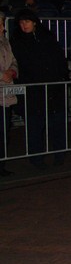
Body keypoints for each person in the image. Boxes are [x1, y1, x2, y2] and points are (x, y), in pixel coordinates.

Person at [10, 9, 69, 168]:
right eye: (21, 22)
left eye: (27, 21)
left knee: (56, 124)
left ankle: (59, 154)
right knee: (35, 126)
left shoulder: (47, 38)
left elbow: (59, 60)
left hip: (52, 88)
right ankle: (36, 158)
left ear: (34, 22)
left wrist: (62, 78)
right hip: (33, 90)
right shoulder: (17, 41)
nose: (24, 25)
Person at [0, 13, 18, 175]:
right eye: (0, 25)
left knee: (4, 130)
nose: (3, 28)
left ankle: (1, 164)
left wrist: (12, 71)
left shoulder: (5, 41)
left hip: (5, 93)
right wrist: (1, 75)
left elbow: (13, 61)